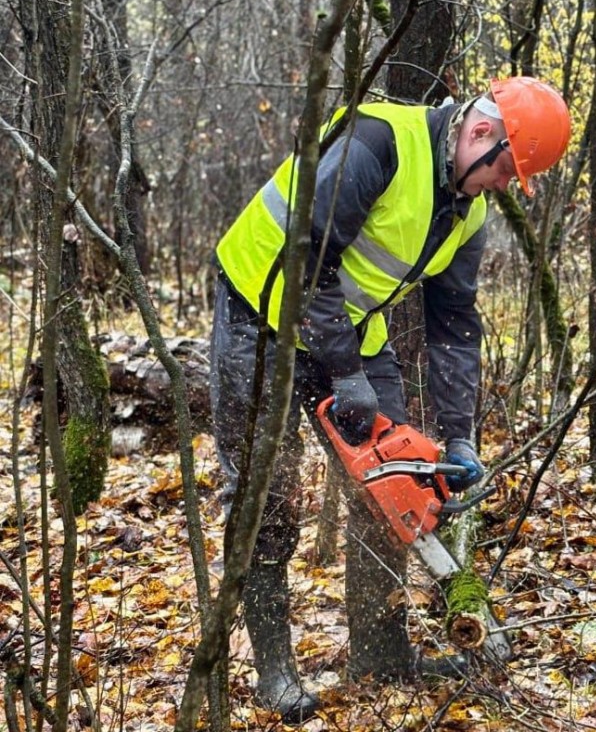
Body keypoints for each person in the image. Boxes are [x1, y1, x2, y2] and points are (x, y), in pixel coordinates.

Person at [209, 76, 571, 722]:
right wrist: (346, 372)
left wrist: (458, 436)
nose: (500, 186)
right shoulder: (378, 144)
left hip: (345, 328)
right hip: (258, 311)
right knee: (268, 494)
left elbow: (454, 324)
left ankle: (380, 652)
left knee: (397, 482)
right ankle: (274, 670)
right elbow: (305, 255)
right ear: (480, 133)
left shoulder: (468, 212)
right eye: (504, 171)